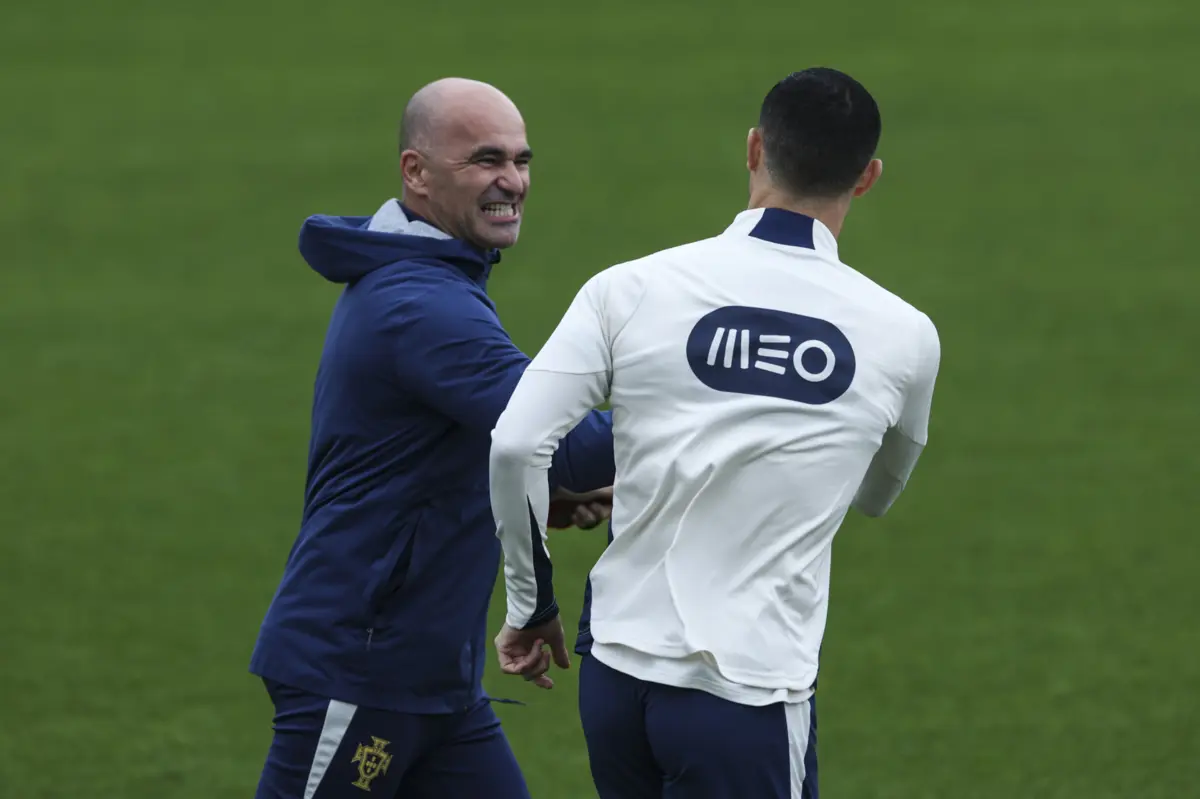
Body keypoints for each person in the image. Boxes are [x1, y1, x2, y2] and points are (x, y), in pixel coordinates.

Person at [488, 67, 941, 798]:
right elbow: (876, 497)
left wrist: (529, 603)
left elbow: (514, 445)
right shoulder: (906, 335)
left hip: (615, 678)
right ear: (868, 178)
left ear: (755, 148)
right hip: (749, 693)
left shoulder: (628, 288)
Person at [249, 77, 615, 799]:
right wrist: (702, 402)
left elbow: (436, 452)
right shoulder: (420, 305)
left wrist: (545, 498)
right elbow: (555, 437)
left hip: (431, 681)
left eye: (520, 158)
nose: (511, 180)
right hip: (360, 671)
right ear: (416, 173)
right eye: (485, 159)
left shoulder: (430, 278)